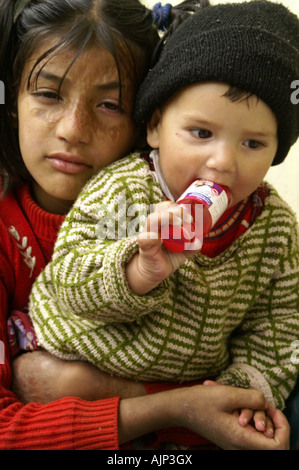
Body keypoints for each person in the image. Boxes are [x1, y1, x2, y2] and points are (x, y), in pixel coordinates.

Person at [28, 0, 299, 449]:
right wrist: (139, 271)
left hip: (191, 399)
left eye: (253, 142)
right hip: (80, 369)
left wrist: (245, 388)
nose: (223, 162)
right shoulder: (125, 192)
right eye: (201, 133)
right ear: (154, 127)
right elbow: (68, 279)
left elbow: (279, 325)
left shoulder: (273, 228)